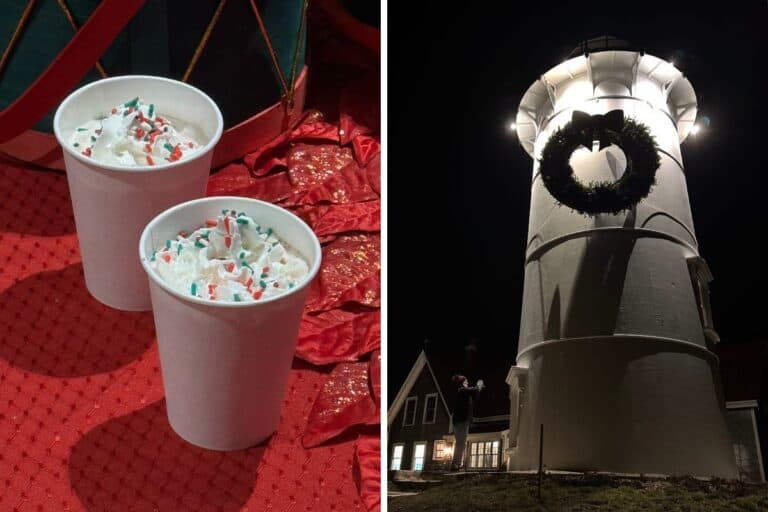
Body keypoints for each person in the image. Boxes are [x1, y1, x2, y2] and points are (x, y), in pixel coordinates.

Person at [450, 374, 484, 471]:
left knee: (460, 443)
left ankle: (455, 463)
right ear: (462, 383)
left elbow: (475, 395)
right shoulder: (462, 390)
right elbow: (474, 390)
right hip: (461, 420)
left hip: (459, 420)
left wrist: (478, 389)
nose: (467, 383)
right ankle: (456, 464)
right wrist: (479, 384)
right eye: (466, 382)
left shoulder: (462, 393)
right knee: (461, 443)